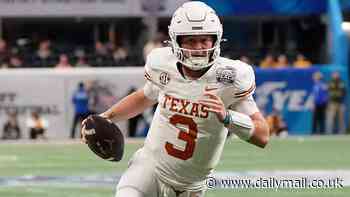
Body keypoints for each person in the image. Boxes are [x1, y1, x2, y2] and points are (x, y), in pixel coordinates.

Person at [82, 2, 270, 197]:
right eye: (190, 40)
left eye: (204, 40)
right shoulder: (163, 64)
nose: (198, 47)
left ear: (216, 39)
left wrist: (228, 117)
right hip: (150, 169)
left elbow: (263, 136)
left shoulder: (231, 77)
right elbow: (145, 96)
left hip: (192, 186)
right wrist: (106, 116)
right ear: (176, 41)